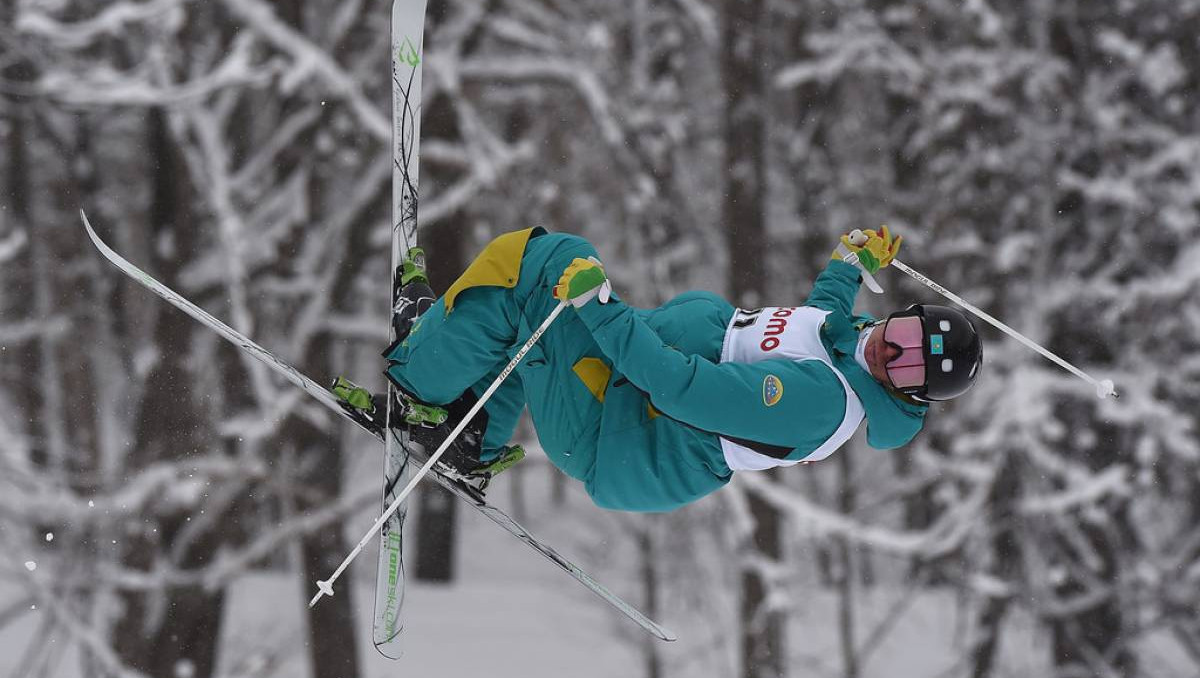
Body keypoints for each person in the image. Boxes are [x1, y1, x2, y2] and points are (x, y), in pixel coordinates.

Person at [341, 226, 982, 513]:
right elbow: (821, 321)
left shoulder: (823, 404)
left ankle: (419, 385)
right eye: (902, 333)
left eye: (905, 368)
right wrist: (848, 262)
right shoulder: (853, 348)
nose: (889, 352)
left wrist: (604, 310)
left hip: (620, 436)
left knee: (539, 269)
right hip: (624, 395)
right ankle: (467, 425)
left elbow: (681, 390)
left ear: (912, 397)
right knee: (539, 300)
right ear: (900, 315)